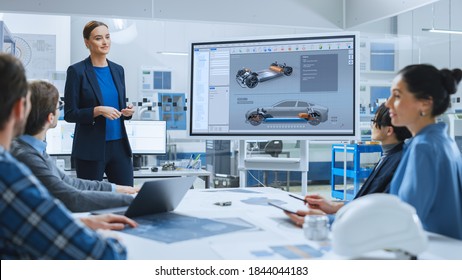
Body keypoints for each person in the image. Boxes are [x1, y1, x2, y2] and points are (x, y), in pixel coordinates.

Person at [0, 53, 137, 259]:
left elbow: (69, 184)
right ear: (21, 109)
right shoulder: (11, 170)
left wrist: (119, 191)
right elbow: (103, 255)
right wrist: (134, 204)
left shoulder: (34, 153)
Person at [11, 80, 138, 212]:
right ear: (50, 118)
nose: (61, 109)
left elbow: (71, 183)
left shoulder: (35, 149)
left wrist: (120, 189)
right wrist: (131, 200)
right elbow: (71, 198)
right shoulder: (27, 156)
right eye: (59, 106)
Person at [285, 103, 412, 226]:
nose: (371, 125)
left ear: (389, 130)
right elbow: (368, 201)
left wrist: (325, 220)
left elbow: (378, 213)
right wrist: (334, 207)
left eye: (374, 121)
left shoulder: (399, 162)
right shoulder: (390, 156)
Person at [385, 64, 462, 240]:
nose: (388, 103)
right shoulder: (443, 141)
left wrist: (328, 221)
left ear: (425, 104)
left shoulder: (424, 148)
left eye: (397, 95)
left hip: (434, 253)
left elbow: (404, 219)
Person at [64, 20, 135, 186]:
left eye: (107, 37)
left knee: (127, 197)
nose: (105, 42)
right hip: (91, 149)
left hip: (119, 147)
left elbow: (118, 107)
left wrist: (127, 112)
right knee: (90, 201)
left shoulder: (118, 70)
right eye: (98, 38)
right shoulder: (77, 71)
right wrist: (97, 110)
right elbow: (70, 113)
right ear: (87, 43)